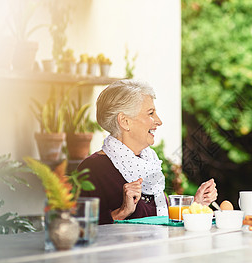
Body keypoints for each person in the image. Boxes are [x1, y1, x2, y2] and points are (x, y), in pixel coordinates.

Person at [78, 79, 218, 225]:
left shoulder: (148, 163)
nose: (159, 121)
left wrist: (196, 205)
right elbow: (80, 230)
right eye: (151, 113)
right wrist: (122, 212)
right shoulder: (91, 170)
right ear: (125, 121)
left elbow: (162, 222)